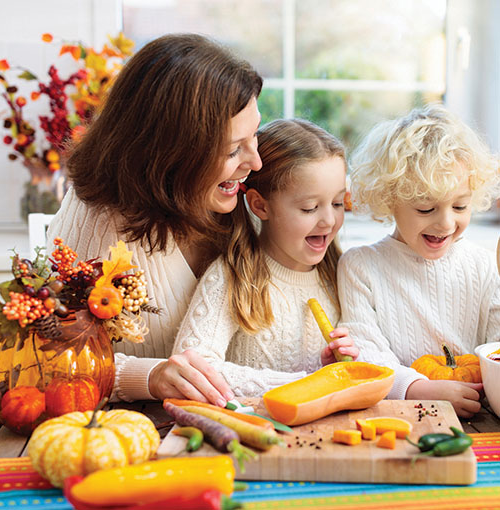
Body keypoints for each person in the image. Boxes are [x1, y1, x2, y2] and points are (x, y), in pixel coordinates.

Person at [47, 33, 263, 407]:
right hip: (128, 431)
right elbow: (55, 360)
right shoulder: (96, 214)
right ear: (171, 153)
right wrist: (150, 376)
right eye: (232, 150)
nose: (255, 163)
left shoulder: (247, 200)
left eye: (255, 135)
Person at [172, 119, 359, 396]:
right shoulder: (232, 275)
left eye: (338, 203)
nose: (329, 220)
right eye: (309, 208)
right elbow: (194, 368)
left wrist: (345, 363)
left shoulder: (341, 274)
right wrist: (307, 383)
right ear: (260, 205)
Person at [337, 103, 500, 418]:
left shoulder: (480, 263)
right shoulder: (361, 266)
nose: (446, 224)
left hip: (478, 414)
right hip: (399, 414)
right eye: (426, 209)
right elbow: (365, 352)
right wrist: (417, 389)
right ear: (390, 199)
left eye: (460, 206)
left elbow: (497, 342)